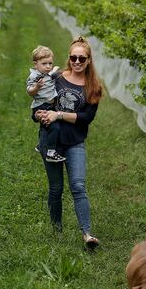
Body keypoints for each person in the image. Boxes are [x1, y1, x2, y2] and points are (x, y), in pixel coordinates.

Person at [35, 36, 103, 249]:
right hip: (51, 140)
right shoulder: (56, 78)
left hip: (74, 142)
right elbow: (39, 103)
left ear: (89, 60)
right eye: (73, 57)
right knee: (56, 188)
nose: (77, 62)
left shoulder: (93, 88)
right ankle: (57, 232)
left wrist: (59, 115)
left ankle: (87, 234)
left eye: (81, 58)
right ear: (69, 58)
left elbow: (85, 118)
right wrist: (41, 115)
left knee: (78, 186)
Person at [26, 45, 65, 163]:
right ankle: (51, 152)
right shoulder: (35, 76)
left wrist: (55, 70)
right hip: (42, 105)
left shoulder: (47, 73)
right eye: (44, 64)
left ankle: (41, 144)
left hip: (50, 104)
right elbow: (29, 91)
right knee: (55, 127)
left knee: (45, 126)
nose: (48, 66)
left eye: (50, 63)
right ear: (35, 64)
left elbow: (51, 73)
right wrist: (37, 87)